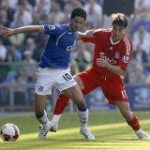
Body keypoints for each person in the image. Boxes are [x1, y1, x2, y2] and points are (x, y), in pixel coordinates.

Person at [49, 13, 150, 139]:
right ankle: (54, 122)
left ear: (125, 31)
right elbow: (82, 36)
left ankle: (139, 131)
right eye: (115, 29)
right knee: (68, 87)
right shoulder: (101, 34)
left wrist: (106, 65)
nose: (117, 33)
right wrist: (65, 36)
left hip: (113, 80)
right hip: (95, 74)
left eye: (120, 30)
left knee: (126, 112)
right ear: (111, 27)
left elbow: (120, 71)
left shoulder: (126, 45)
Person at [0, 8, 95, 140]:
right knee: (39, 111)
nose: (77, 25)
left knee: (81, 101)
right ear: (70, 19)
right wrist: (13, 31)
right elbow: (35, 28)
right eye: (76, 21)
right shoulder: (58, 30)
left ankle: (84, 128)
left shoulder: (76, 33)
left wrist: (87, 34)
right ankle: (45, 125)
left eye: (80, 23)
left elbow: (80, 35)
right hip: (45, 72)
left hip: (63, 72)